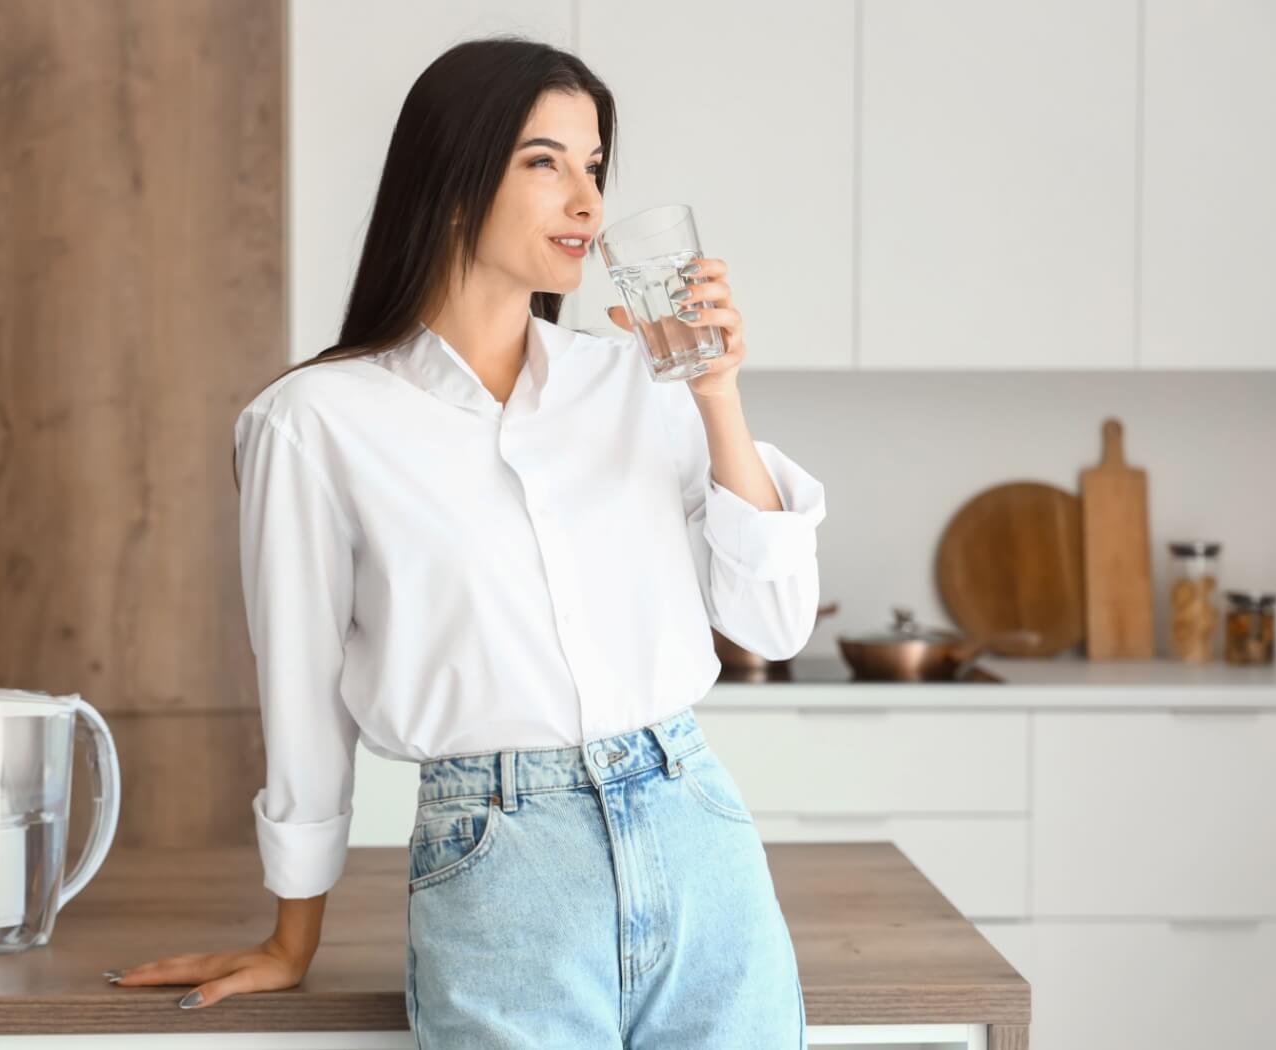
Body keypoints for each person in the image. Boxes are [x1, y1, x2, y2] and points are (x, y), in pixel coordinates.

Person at [105, 34, 823, 1048]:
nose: (587, 202)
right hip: (498, 862)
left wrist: (717, 397)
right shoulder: (312, 422)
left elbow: (775, 622)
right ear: (450, 181)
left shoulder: (637, 382)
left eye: (595, 167)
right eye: (544, 162)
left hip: (696, 830)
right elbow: (303, 693)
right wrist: (291, 935)